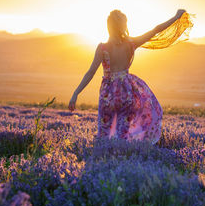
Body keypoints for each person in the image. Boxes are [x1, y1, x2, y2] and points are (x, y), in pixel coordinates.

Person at [68, 9, 191, 144]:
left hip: (107, 95)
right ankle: (124, 156)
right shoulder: (130, 44)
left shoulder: (102, 48)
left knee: (104, 133)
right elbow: (155, 30)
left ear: (108, 27)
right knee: (123, 136)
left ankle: (103, 158)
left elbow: (90, 73)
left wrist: (76, 93)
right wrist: (176, 17)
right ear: (123, 26)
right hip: (126, 92)